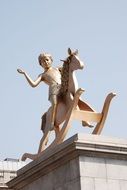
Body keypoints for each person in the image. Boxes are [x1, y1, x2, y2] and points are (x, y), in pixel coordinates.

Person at [17, 52, 61, 130]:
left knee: (74, 94)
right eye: (43, 61)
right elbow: (33, 84)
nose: (46, 62)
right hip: (53, 90)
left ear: (51, 60)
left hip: (62, 87)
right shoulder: (42, 75)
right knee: (54, 103)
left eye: (47, 60)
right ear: (41, 64)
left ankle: (84, 120)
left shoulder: (57, 69)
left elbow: (68, 66)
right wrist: (25, 73)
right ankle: (52, 122)